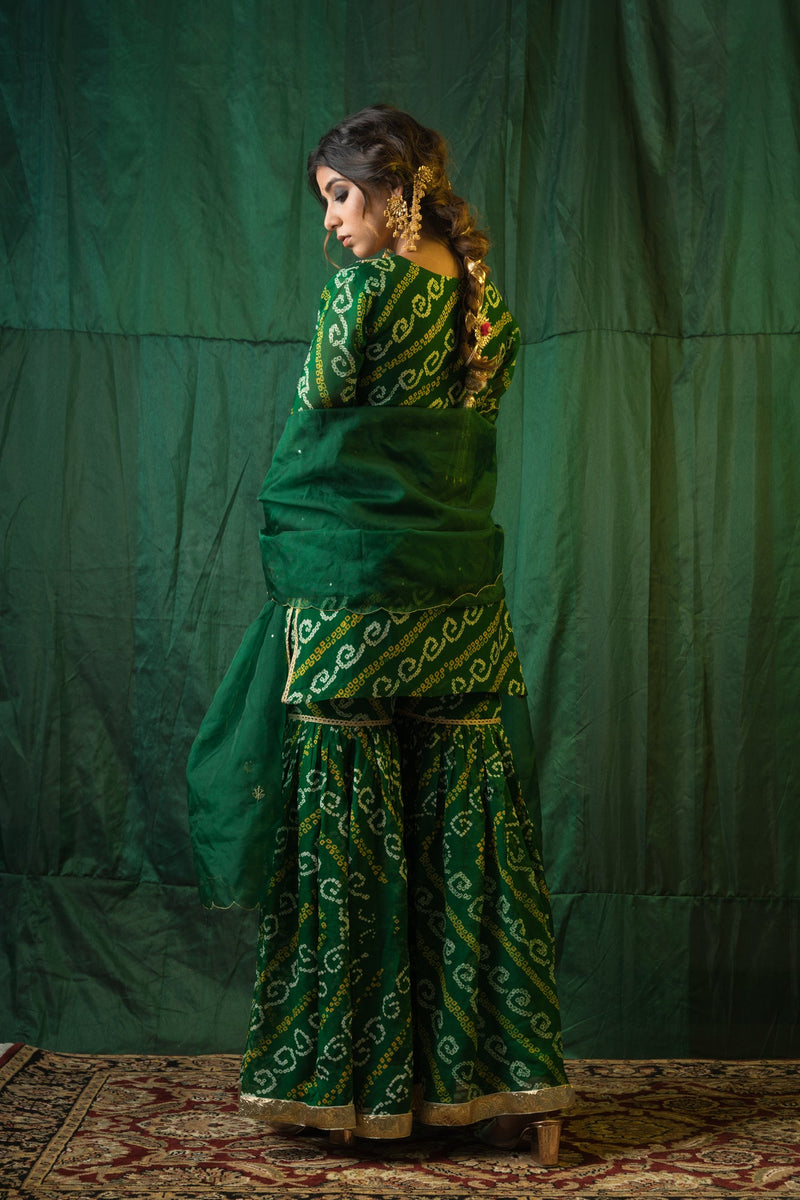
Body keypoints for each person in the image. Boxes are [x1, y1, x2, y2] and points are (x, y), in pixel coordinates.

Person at [187, 104, 573, 1161]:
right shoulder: (485, 308)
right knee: (468, 830)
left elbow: (316, 421)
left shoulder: (361, 294)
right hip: (458, 602)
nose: (330, 221)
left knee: (347, 834)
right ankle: (503, 1089)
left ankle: (351, 1089)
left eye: (339, 195)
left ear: (396, 190)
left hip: (352, 597)